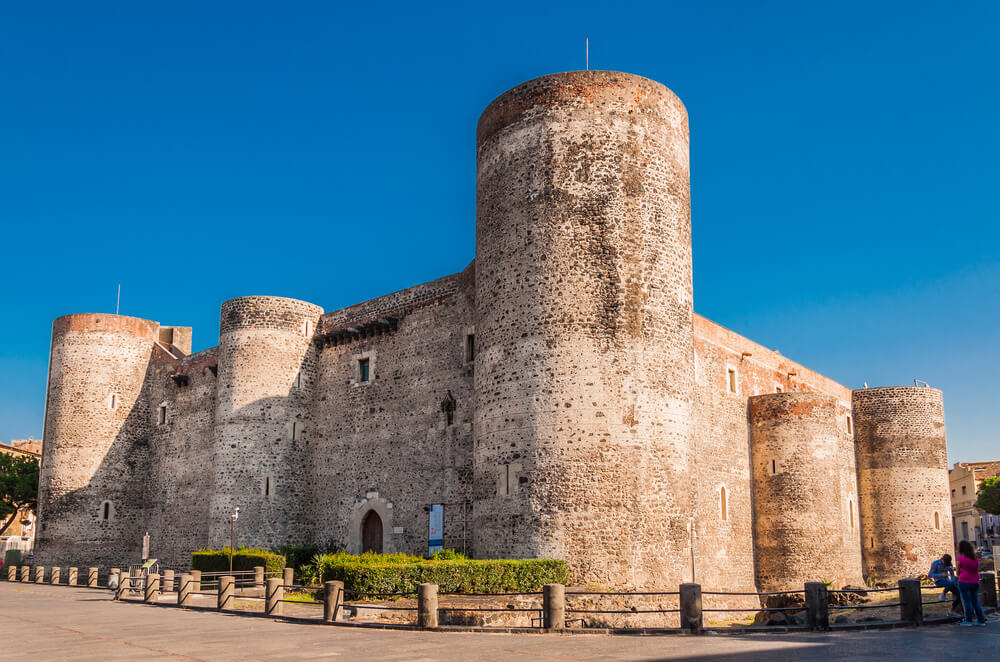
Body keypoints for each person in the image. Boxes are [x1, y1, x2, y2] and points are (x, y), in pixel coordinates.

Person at [956, 540, 987, 627]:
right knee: (975, 601)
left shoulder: (960, 558)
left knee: (967, 602)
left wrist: (962, 570)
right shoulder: (975, 558)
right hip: (975, 581)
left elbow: (957, 572)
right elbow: (976, 569)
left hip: (964, 581)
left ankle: (968, 620)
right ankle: (981, 620)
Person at [929, 553, 963, 618]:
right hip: (938, 581)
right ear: (942, 560)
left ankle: (951, 611)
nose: (946, 566)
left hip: (948, 582)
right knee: (950, 583)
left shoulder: (949, 563)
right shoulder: (935, 563)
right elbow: (930, 574)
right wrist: (940, 575)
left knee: (960, 594)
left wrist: (952, 580)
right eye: (945, 564)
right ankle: (943, 593)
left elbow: (952, 573)